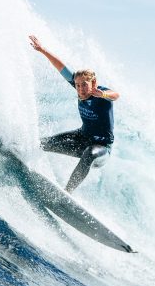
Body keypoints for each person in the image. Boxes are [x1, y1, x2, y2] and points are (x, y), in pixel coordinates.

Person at [29, 35, 120, 193]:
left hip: (101, 149)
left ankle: (67, 193)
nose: (80, 89)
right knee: (43, 143)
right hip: (81, 138)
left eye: (84, 85)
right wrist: (42, 50)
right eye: (77, 85)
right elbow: (62, 67)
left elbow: (116, 95)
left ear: (93, 84)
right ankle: (18, 153)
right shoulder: (79, 89)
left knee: (89, 153)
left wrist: (104, 95)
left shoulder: (100, 94)